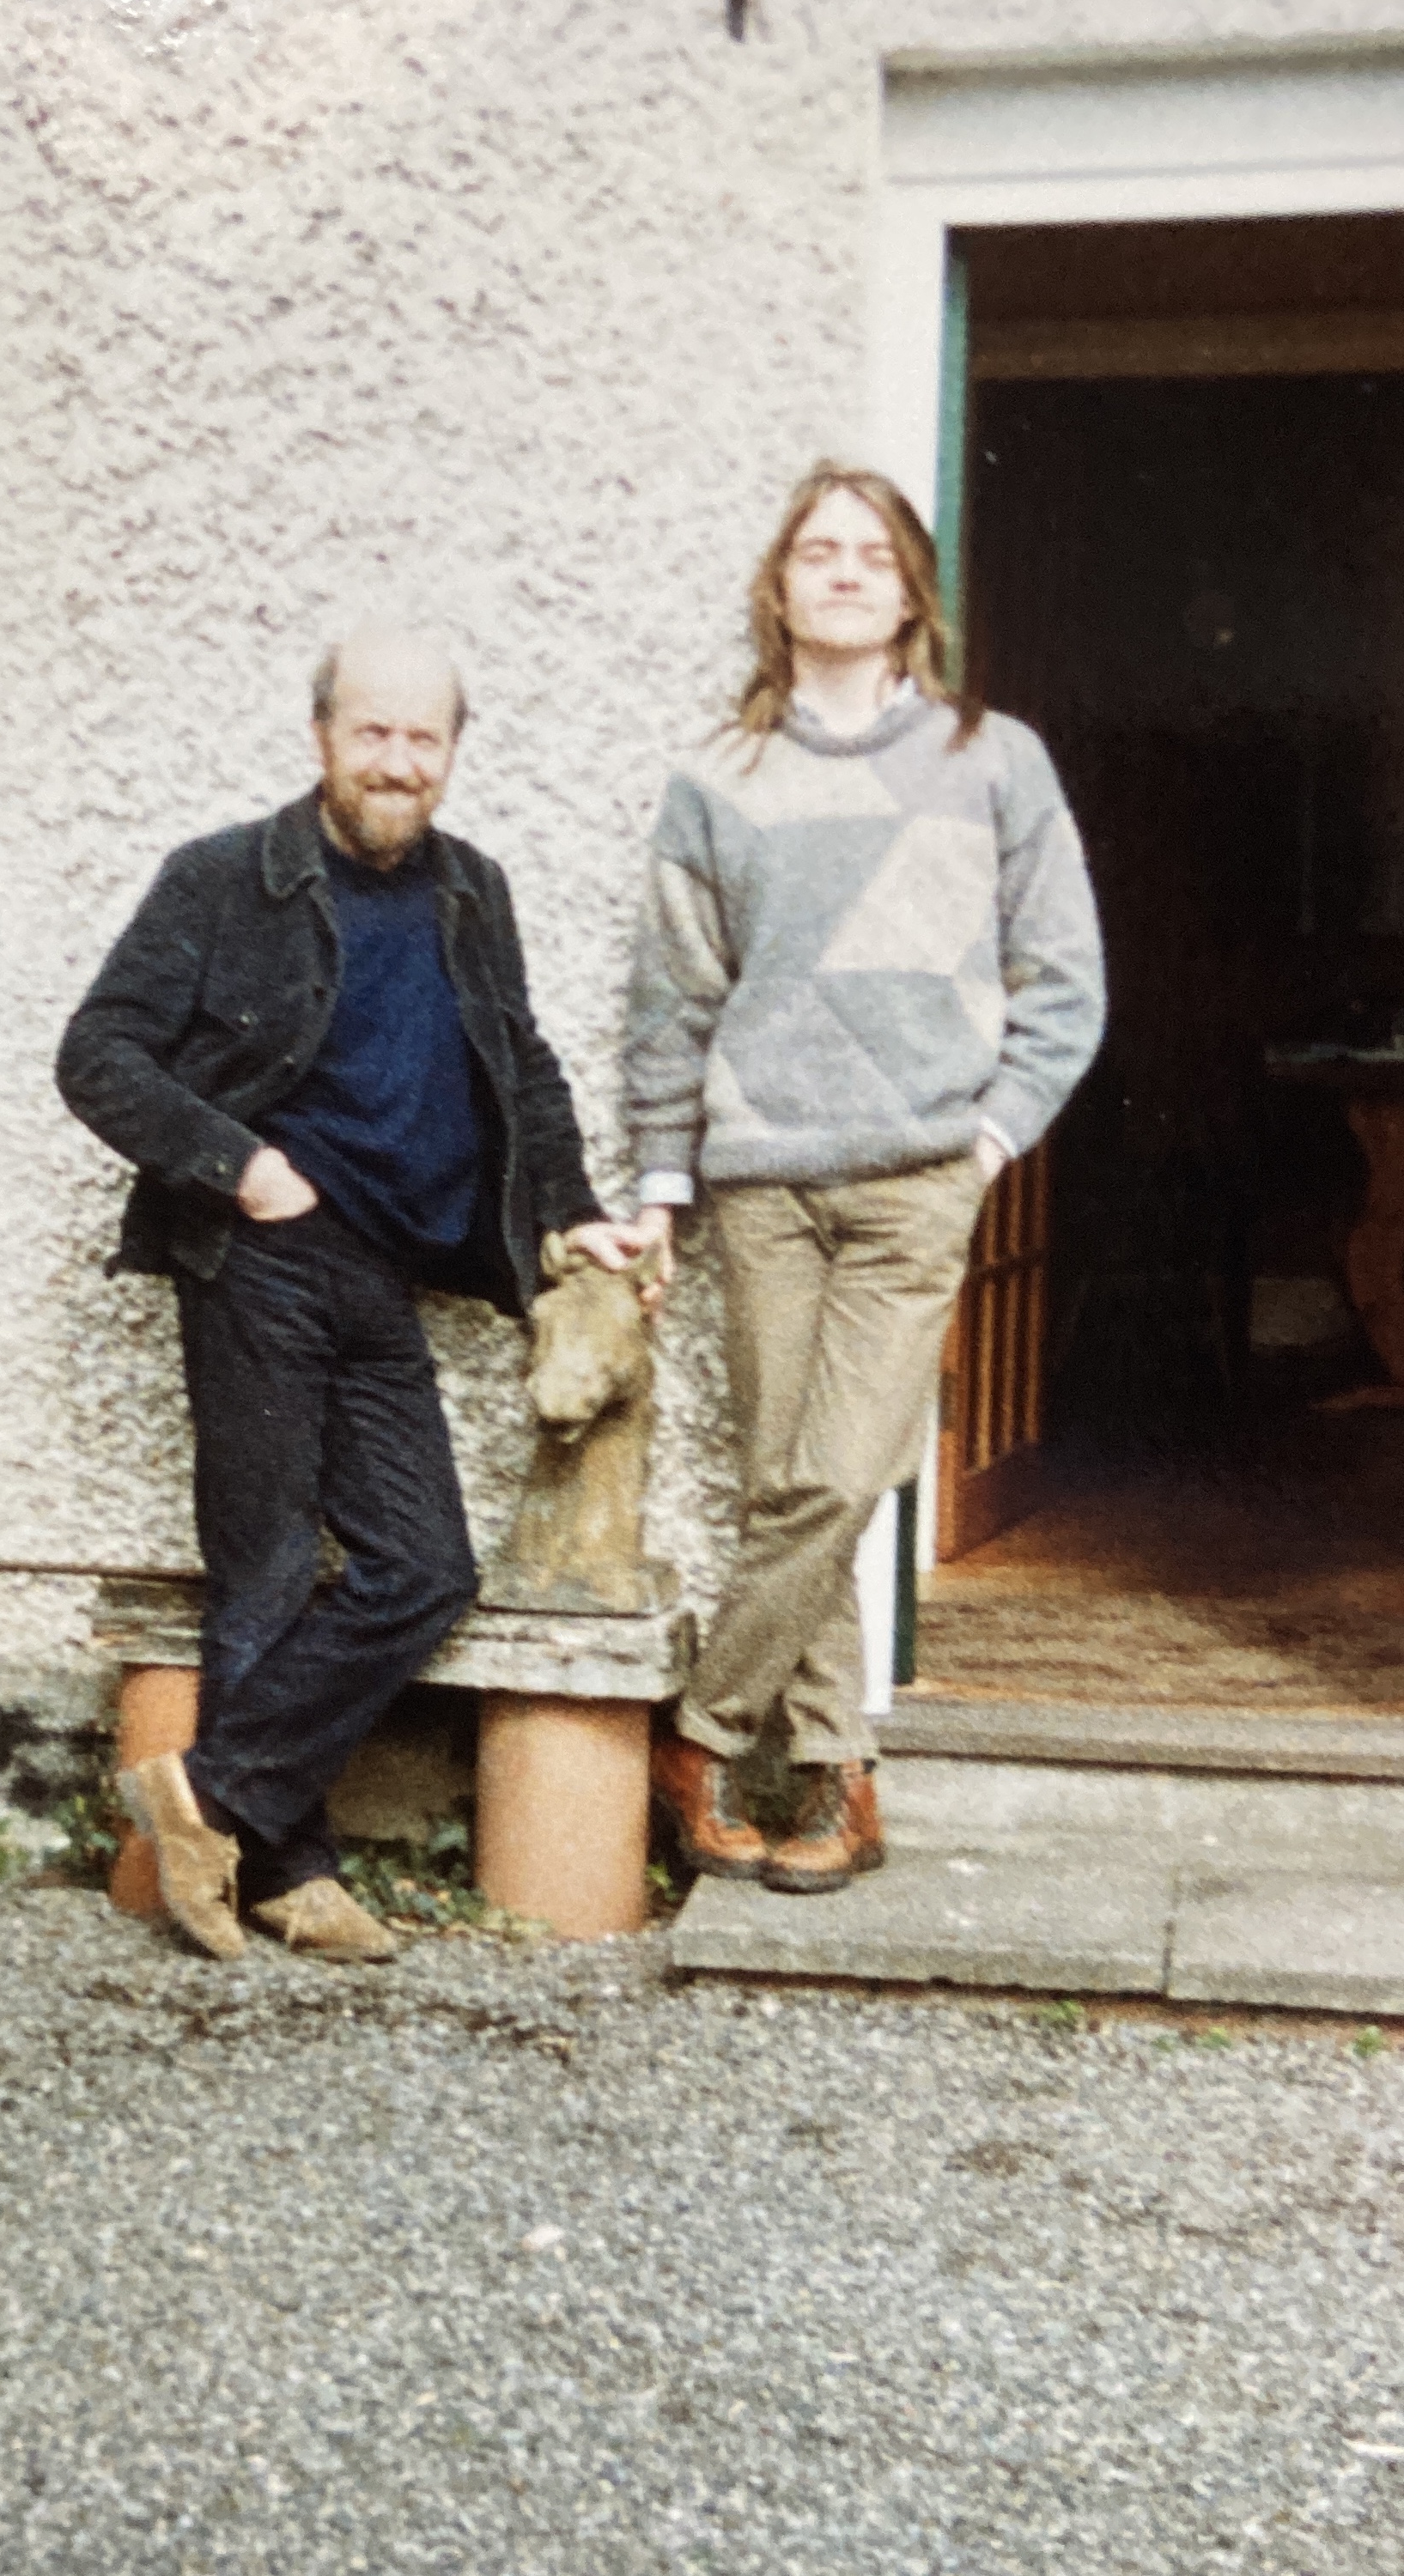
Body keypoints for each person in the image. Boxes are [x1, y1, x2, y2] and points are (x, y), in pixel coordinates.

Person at [58, 623, 643, 1963]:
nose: (396, 760)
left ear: (451, 753)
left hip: (383, 1271)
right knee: (265, 1564)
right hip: (257, 1257)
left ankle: (207, 1797)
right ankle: (290, 1872)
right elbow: (98, 1054)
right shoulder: (224, 878)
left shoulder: (471, 889)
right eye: (372, 731)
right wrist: (241, 1165)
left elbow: (522, 1068)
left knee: (423, 1566)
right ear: (321, 737)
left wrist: (574, 1213)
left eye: (422, 737)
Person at [619, 462, 1104, 1893]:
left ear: (909, 596)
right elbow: (671, 1001)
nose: (842, 571)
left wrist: (990, 1137)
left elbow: (1064, 980)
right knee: (789, 1484)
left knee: (831, 1478)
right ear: (777, 592)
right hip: (760, 1183)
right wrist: (659, 1183)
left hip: (914, 1181)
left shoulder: (992, 759)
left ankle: (697, 1732)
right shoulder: (717, 778)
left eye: (870, 554)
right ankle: (841, 1781)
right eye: (815, 552)